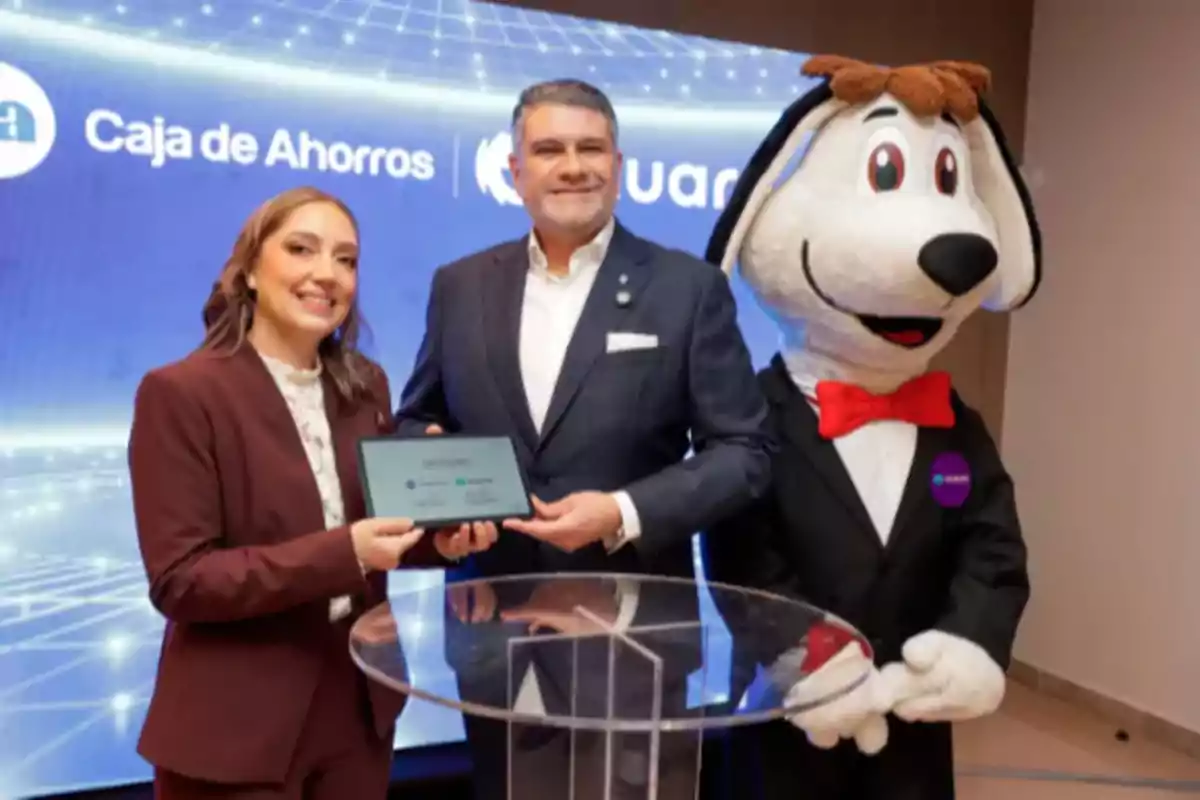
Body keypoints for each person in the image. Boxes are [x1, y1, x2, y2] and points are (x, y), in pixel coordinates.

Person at [394, 79, 773, 798]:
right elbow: (418, 417)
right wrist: (447, 493)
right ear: (515, 171)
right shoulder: (460, 286)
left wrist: (623, 513)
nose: (572, 165)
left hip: (634, 633)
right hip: (491, 625)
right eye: (549, 149)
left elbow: (745, 454)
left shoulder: (687, 288)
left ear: (619, 164)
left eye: (590, 147)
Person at [128, 186, 495, 800]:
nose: (327, 274)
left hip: (359, 707)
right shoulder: (180, 393)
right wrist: (346, 552)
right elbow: (182, 581)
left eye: (347, 259)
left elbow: (373, 529)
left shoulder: (366, 387)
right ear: (248, 269)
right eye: (301, 249)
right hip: (235, 726)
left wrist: (445, 542)